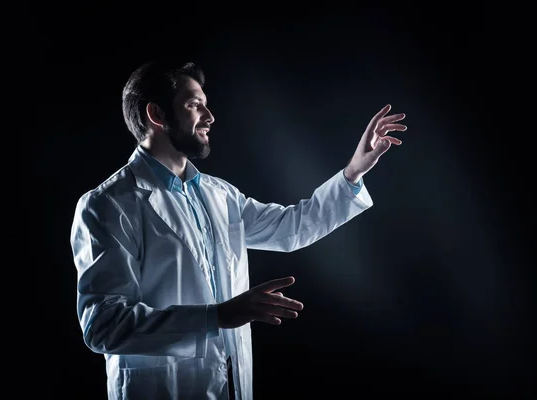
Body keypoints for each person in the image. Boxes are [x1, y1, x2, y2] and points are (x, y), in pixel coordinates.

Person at [70, 60, 407, 400]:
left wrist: (352, 172)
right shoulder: (108, 205)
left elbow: (290, 227)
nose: (210, 116)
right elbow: (104, 325)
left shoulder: (219, 194)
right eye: (194, 105)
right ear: (156, 115)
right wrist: (216, 316)